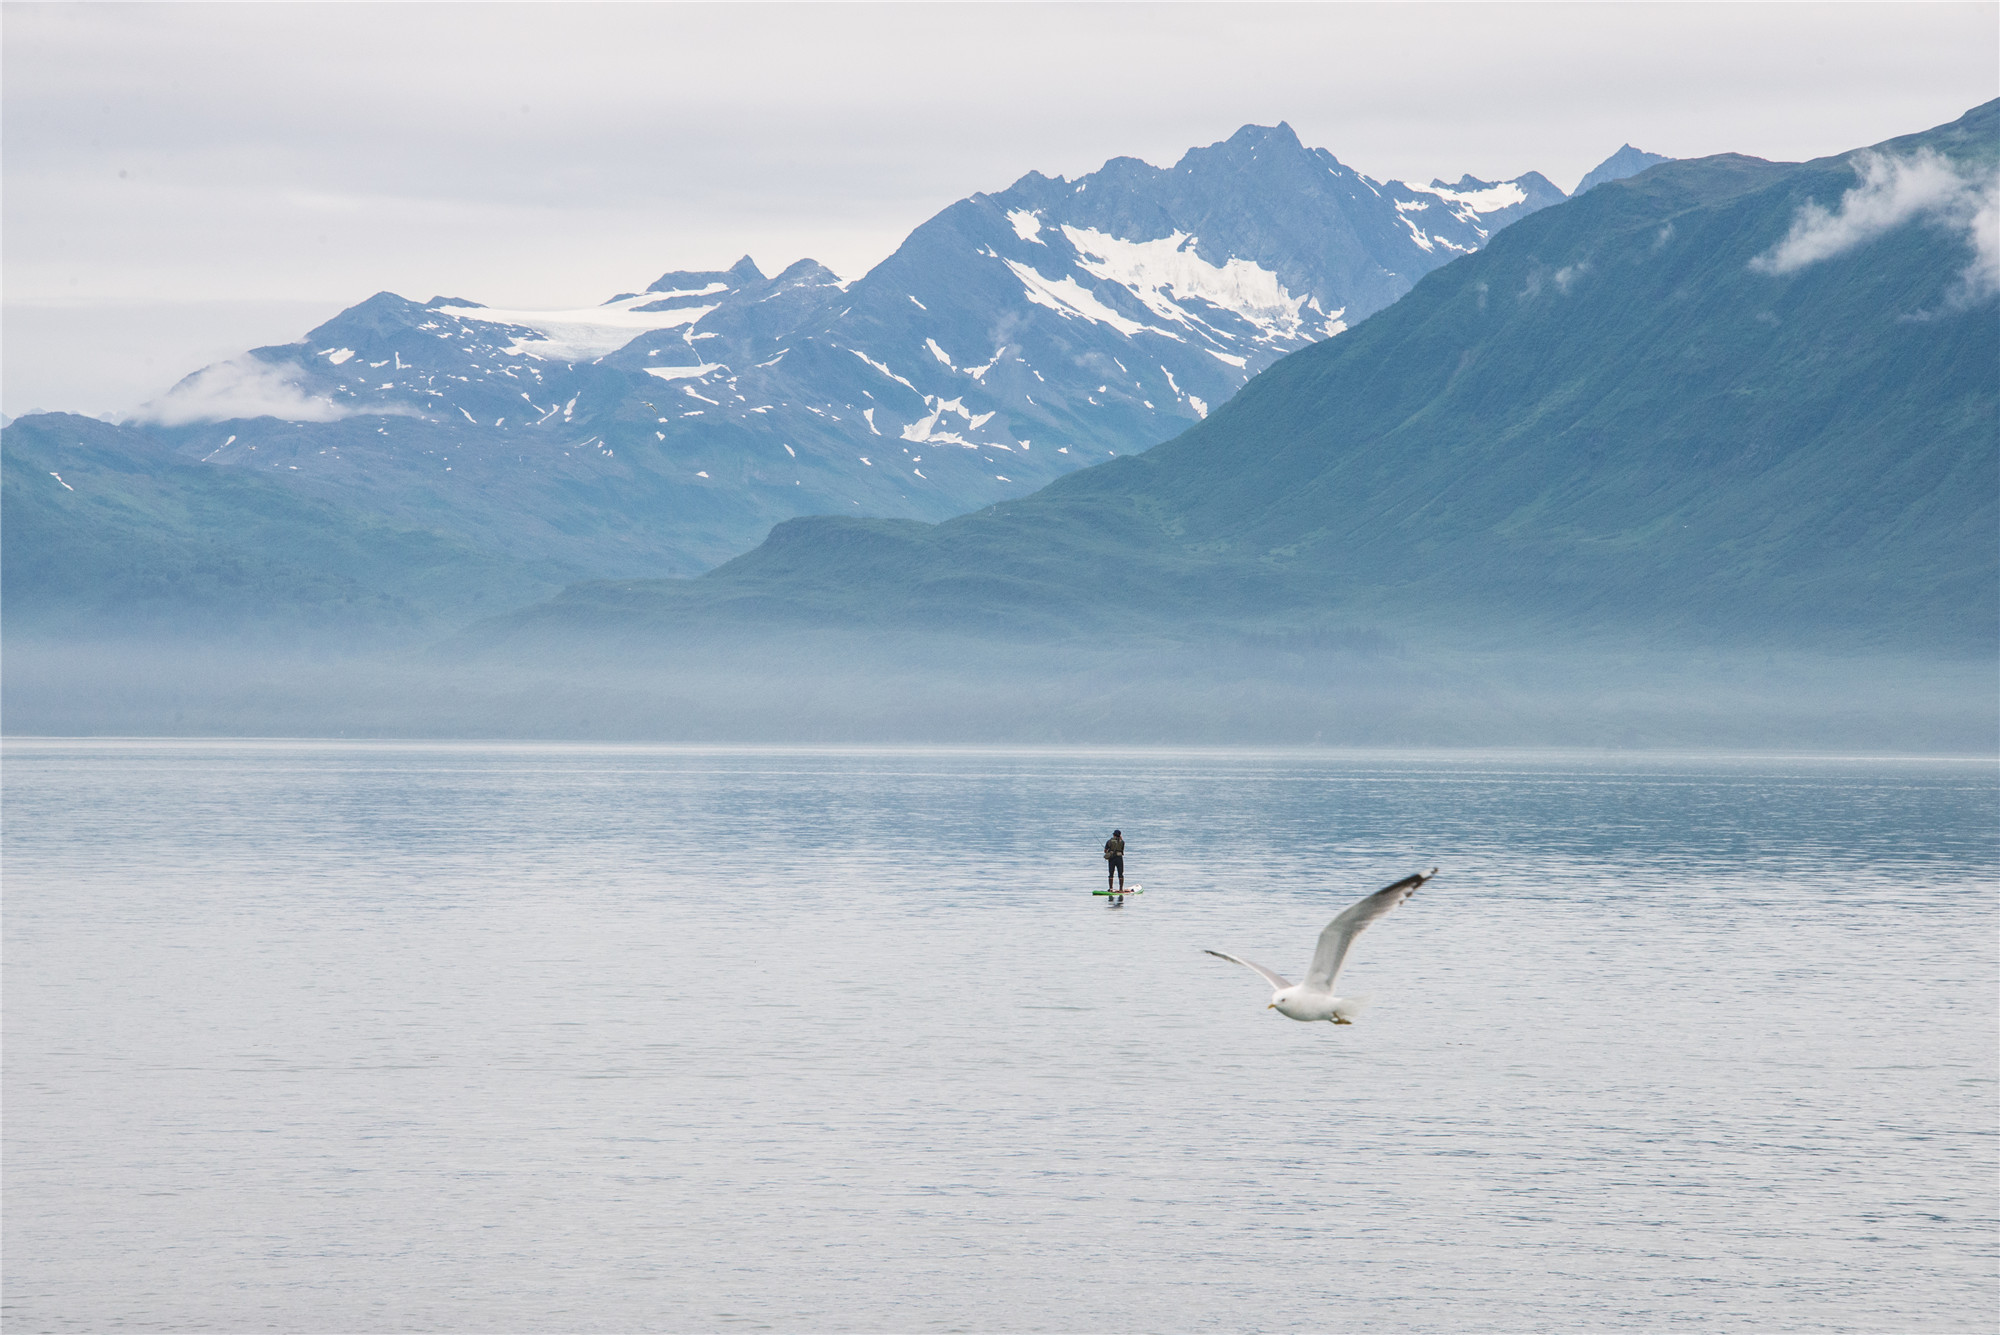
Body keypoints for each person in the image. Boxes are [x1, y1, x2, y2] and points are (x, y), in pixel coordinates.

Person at [1103, 829, 1125, 894]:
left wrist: (1108, 851)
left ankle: (1111, 888)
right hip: (1119, 858)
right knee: (1120, 873)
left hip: (1112, 858)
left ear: (1114, 835)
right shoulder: (1122, 842)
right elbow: (1122, 849)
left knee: (1111, 873)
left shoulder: (1109, 841)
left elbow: (1105, 850)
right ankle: (1121, 889)